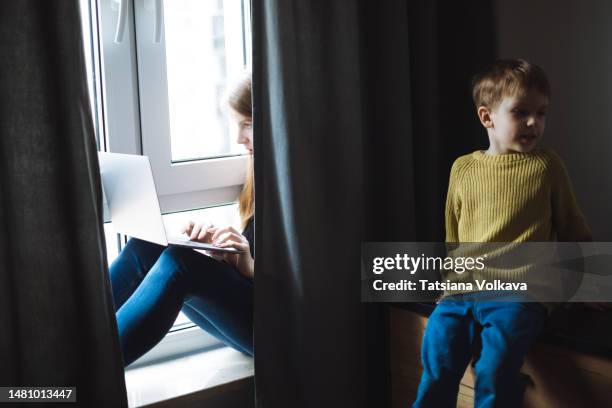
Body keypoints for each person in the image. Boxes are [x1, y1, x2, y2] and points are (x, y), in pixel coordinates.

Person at [412, 59, 592, 407]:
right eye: (521, 112)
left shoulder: (546, 167)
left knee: (494, 368)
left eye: (541, 113)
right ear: (487, 117)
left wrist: (589, 285)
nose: (533, 122)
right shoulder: (462, 168)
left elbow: (574, 229)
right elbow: (455, 234)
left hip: (520, 291)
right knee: (437, 357)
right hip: (464, 289)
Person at [109, 76, 255, 367]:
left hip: (286, 327)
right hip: (257, 306)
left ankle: (82, 377)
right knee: (147, 247)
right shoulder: (261, 171)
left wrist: (249, 266)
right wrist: (222, 251)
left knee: (180, 264)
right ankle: (67, 343)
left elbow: (321, 285)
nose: (239, 138)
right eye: (236, 125)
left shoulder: (308, 182)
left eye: (248, 124)